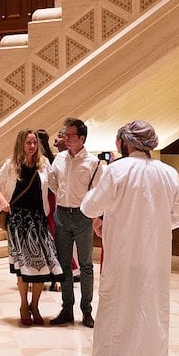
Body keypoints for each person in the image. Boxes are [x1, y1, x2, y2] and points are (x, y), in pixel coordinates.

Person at [78, 120, 179, 356]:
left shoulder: (117, 170)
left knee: (115, 319)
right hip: (155, 263)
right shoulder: (168, 173)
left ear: (125, 143)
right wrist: (151, 225)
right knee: (151, 319)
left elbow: (89, 206)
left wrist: (114, 219)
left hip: (122, 261)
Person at [0, 128, 61, 326]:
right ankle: (24, 305)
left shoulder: (44, 164)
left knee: (41, 265)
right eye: (28, 143)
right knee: (23, 268)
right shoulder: (11, 165)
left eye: (34, 143)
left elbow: (56, 186)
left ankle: (35, 305)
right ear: (21, 144)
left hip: (38, 219)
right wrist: (2, 200)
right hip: (18, 221)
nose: (32, 146)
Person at [48, 117, 104, 328]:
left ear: (82, 138)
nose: (66, 138)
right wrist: (63, 198)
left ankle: (87, 311)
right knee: (64, 265)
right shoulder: (60, 158)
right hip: (61, 214)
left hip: (83, 216)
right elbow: (53, 183)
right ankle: (66, 309)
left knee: (86, 265)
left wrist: (95, 217)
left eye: (70, 135)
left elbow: (99, 193)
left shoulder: (93, 164)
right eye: (65, 134)